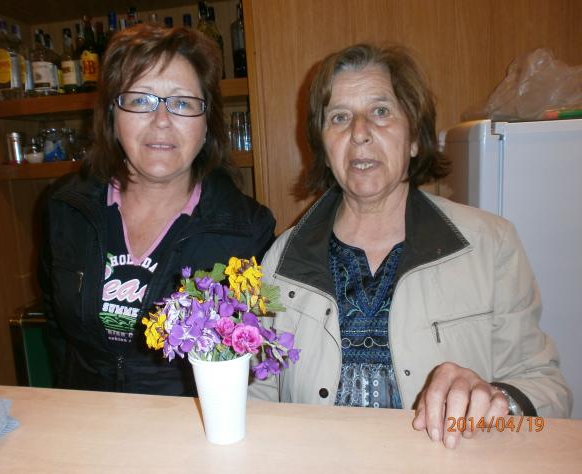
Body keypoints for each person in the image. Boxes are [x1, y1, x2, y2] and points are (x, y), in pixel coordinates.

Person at [248, 43, 572, 448]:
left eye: (381, 111)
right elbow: (258, 394)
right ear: (325, 150)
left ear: (414, 138)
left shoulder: (491, 245)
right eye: (339, 117)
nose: (359, 132)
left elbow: (549, 390)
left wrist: (497, 400)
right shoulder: (281, 260)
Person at [39, 25, 275, 396]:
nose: (162, 120)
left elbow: (249, 359)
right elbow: (56, 325)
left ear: (207, 124)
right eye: (140, 100)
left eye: (182, 103)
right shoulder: (65, 207)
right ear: (112, 116)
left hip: (190, 422)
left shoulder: (249, 230)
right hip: (85, 417)